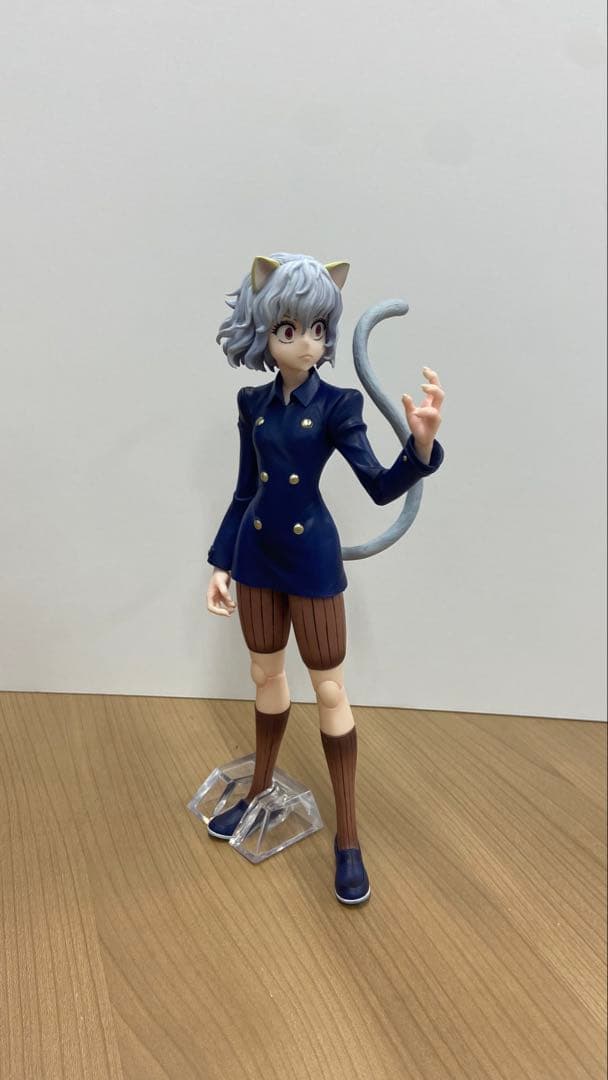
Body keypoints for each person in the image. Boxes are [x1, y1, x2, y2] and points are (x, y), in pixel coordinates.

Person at [205, 252, 445, 905]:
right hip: (257, 557)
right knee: (264, 677)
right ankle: (259, 791)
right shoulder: (252, 402)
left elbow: (380, 486)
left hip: (311, 562)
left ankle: (348, 837)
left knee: (331, 688)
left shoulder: (339, 404)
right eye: (289, 329)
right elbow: (242, 491)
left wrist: (420, 447)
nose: (306, 342)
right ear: (265, 330)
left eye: (317, 328)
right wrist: (220, 563)